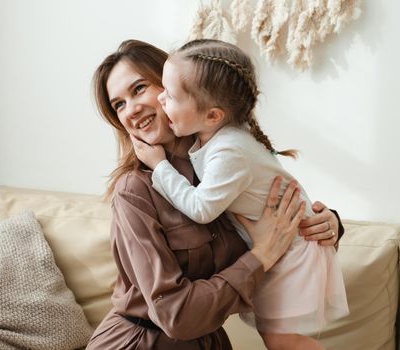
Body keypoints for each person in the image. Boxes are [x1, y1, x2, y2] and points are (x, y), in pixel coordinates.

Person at [87, 39, 345, 350]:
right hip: (140, 343)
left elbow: (275, 199)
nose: (132, 109)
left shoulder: (223, 158)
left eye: (139, 88)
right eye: (119, 104)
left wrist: (326, 224)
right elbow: (176, 315)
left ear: (176, 85)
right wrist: (262, 255)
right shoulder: (135, 192)